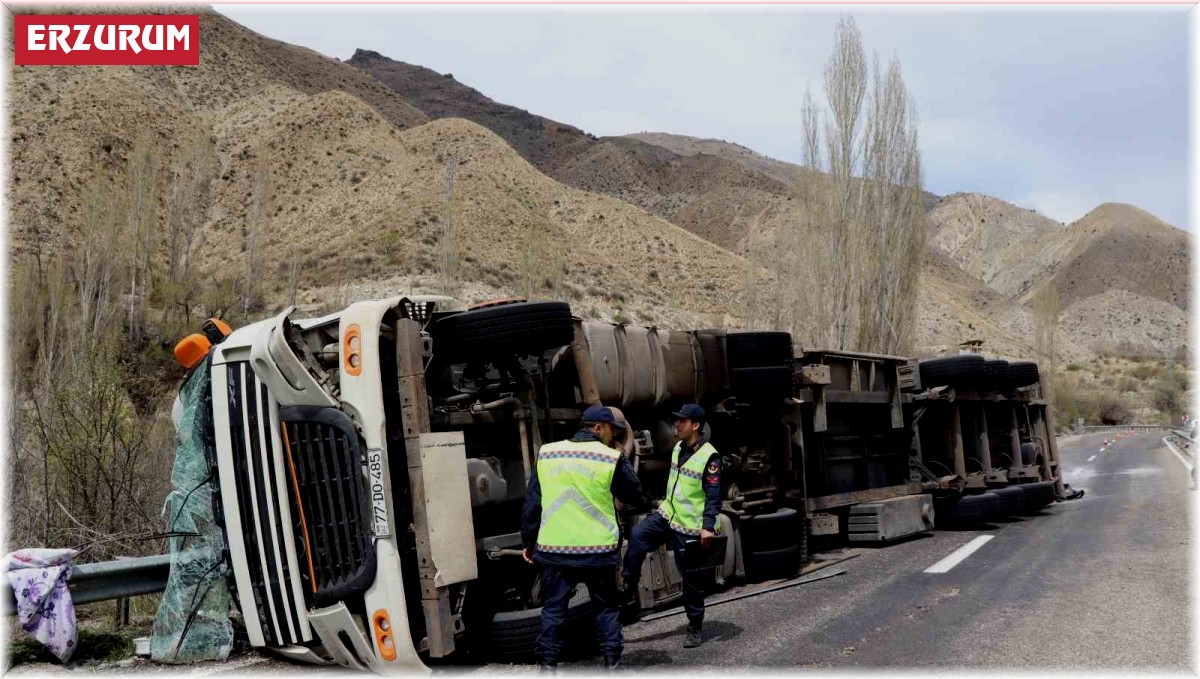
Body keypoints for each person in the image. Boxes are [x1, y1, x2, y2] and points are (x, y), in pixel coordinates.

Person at [521, 404, 651, 671]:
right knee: (607, 609)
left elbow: (532, 502)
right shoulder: (609, 457)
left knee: (553, 611)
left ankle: (548, 668)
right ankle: (612, 665)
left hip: (555, 550)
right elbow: (634, 494)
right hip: (598, 551)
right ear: (599, 428)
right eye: (612, 431)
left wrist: (528, 541)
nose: (613, 437)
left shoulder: (548, 453)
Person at [620, 403, 721, 649]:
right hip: (668, 515)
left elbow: (713, 495)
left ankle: (695, 625)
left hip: (690, 525)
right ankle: (628, 585)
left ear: (695, 426)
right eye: (677, 420)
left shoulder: (710, 457)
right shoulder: (677, 447)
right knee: (638, 536)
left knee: (691, 579)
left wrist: (708, 526)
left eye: (682, 421)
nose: (677, 424)